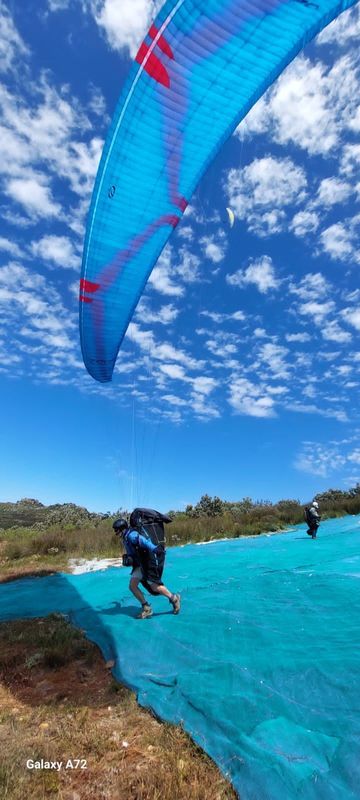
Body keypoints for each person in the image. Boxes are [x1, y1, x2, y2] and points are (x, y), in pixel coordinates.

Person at [112, 518, 181, 619]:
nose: (116, 533)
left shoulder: (131, 535)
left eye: (117, 530)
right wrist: (129, 558)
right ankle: (146, 608)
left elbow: (142, 540)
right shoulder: (125, 537)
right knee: (132, 586)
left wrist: (154, 548)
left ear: (122, 529)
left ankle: (174, 598)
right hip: (138, 565)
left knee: (154, 586)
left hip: (146, 562)